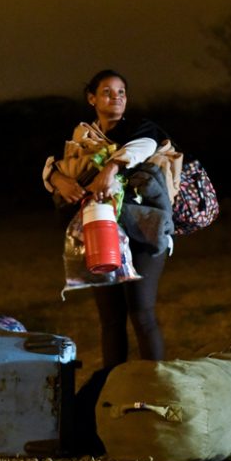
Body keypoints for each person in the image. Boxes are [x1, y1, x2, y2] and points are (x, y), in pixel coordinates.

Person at [43, 69, 171, 369]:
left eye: (121, 92)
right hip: (99, 232)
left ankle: (157, 389)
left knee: (142, 312)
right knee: (111, 320)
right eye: (107, 92)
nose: (116, 98)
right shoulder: (82, 138)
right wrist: (57, 179)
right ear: (91, 98)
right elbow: (51, 165)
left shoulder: (141, 128)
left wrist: (110, 169)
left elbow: (144, 147)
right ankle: (112, 390)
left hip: (144, 231)